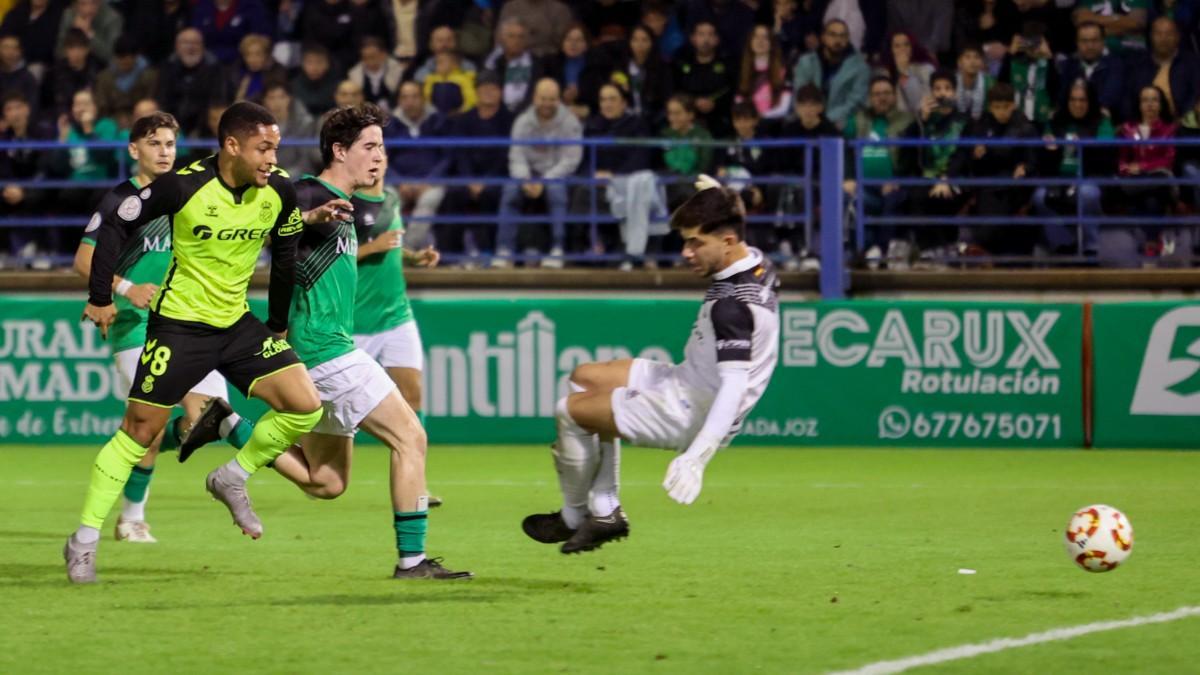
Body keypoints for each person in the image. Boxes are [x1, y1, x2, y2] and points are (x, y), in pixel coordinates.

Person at [65, 101, 346, 584]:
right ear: (232, 146)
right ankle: (84, 541)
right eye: (263, 148)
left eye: (276, 148)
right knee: (139, 432)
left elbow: (283, 258)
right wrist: (103, 295)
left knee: (305, 404)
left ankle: (232, 477)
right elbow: (115, 223)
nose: (272, 158)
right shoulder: (184, 186)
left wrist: (277, 325)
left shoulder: (277, 189)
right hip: (179, 328)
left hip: (238, 326)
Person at [186, 104, 470, 579]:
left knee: (326, 482)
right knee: (410, 437)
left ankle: (227, 424)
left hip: (320, 353)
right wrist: (306, 215)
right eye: (369, 147)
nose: (379, 157)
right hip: (326, 349)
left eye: (382, 147)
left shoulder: (347, 205)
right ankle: (413, 561)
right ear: (340, 150)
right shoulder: (306, 192)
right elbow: (267, 216)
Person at [521, 177, 779, 553]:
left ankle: (575, 515)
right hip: (687, 378)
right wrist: (720, 194)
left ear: (726, 242)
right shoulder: (758, 264)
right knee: (584, 378)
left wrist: (696, 458)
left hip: (694, 411)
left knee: (569, 412)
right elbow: (733, 223)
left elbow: (734, 387)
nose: (686, 252)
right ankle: (605, 506)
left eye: (696, 243)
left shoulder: (733, 308)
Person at [71, 112, 252, 544]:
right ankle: (132, 518)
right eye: (155, 143)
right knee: (171, 421)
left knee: (197, 421)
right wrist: (125, 288)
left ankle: (134, 459)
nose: (165, 151)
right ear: (135, 150)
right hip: (135, 329)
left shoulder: (186, 196)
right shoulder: (121, 201)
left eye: (171, 143)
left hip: (186, 325)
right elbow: (83, 260)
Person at [352, 152, 441, 462]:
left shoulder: (390, 198)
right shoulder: (346, 204)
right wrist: (371, 248)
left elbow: (392, 244)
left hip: (398, 316)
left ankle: (416, 481)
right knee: (337, 409)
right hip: (358, 322)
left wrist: (413, 256)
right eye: (368, 154)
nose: (375, 161)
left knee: (413, 395)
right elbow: (329, 257)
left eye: (380, 154)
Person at [494, 77, 582, 268]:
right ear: (534, 98)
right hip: (528, 175)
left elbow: (571, 159)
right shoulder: (522, 122)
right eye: (543, 98)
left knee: (556, 191)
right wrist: (525, 179)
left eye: (552, 99)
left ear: (559, 99)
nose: (547, 104)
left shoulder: (570, 122)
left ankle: (557, 249)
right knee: (510, 189)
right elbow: (516, 155)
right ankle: (504, 250)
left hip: (557, 176)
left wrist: (545, 180)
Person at [1033, 78, 1114, 257]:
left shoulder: (1101, 121)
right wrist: (1050, 151)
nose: (1077, 104)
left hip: (1090, 178)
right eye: (1073, 100)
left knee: (1087, 193)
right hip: (1058, 180)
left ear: (1090, 101)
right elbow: (1043, 161)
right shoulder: (1055, 121)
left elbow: (1106, 155)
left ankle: (1090, 248)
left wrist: (1085, 147)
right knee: (1039, 197)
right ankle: (1064, 244)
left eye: (1082, 100)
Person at [440, 70, 514, 262]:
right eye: (484, 88)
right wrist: (470, 180)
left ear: (501, 92)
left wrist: (486, 181)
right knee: (454, 194)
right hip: (467, 176)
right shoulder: (464, 120)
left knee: (493, 195)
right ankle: (451, 255)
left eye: (493, 89)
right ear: (476, 92)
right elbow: (460, 153)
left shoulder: (509, 120)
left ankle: (490, 250)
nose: (488, 92)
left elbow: (506, 155)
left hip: (497, 176)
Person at [843, 76, 917, 256]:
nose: (882, 98)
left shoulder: (907, 121)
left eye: (886, 93)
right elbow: (845, 150)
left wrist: (897, 180)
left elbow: (912, 156)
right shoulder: (857, 120)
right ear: (869, 97)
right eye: (876, 94)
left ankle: (882, 250)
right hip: (863, 185)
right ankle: (858, 253)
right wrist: (849, 177)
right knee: (848, 198)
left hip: (894, 185)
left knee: (894, 199)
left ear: (894, 96)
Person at [386, 80, 450, 249]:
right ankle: (390, 251)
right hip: (398, 182)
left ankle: (407, 250)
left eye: (415, 96)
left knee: (429, 200)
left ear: (423, 99)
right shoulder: (390, 124)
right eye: (405, 97)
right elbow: (382, 158)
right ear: (399, 100)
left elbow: (447, 157)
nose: (410, 101)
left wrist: (430, 181)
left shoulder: (439, 121)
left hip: (430, 182)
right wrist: (399, 182)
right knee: (388, 201)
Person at [792, 19, 869, 129]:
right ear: (823, 37)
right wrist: (813, 116)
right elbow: (800, 93)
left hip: (842, 122)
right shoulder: (806, 62)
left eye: (843, 36)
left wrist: (826, 120)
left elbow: (855, 101)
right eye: (833, 35)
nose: (838, 40)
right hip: (809, 118)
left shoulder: (860, 67)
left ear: (847, 39)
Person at [156, 28, 230, 136]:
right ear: (177, 46)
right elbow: (162, 98)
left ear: (203, 46)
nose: (191, 47)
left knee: (219, 113)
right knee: (147, 108)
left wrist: (199, 128)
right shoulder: (168, 66)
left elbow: (217, 100)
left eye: (195, 43)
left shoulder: (214, 68)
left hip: (204, 124)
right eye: (186, 43)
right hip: (172, 121)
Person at [672, 20, 735, 137]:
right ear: (693, 39)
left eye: (710, 34)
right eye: (701, 34)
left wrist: (716, 104)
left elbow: (733, 91)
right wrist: (693, 102)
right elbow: (675, 91)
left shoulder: (728, 64)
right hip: (686, 119)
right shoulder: (681, 62)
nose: (706, 40)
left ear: (717, 40)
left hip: (720, 120)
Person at [1057, 22, 1125, 122]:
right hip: (1072, 123)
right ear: (1077, 43)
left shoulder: (1115, 65)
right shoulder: (1069, 66)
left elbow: (1110, 98)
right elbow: (1063, 97)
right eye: (1084, 41)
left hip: (1106, 124)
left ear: (1103, 41)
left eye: (1094, 40)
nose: (1089, 46)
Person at [484, 19, 548, 114]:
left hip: (527, 113)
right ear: (503, 38)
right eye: (511, 36)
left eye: (521, 37)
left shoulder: (536, 64)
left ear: (526, 40)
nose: (516, 41)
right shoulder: (493, 63)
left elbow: (536, 92)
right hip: (498, 114)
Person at [94, 34, 158, 125]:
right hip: (112, 121)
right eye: (121, 62)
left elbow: (150, 102)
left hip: (142, 119)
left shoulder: (149, 76)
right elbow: (102, 105)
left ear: (136, 58)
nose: (124, 66)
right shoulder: (104, 77)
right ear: (116, 58)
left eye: (128, 63)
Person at [736, 25, 792, 121]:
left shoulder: (783, 70)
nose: (760, 41)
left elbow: (784, 108)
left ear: (771, 44)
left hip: (775, 125)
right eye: (756, 37)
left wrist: (762, 116)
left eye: (765, 37)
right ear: (750, 42)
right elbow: (739, 102)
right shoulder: (741, 71)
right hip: (748, 125)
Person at [880, 31, 936, 119]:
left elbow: (917, 104)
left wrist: (904, 72)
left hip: (918, 120)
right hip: (893, 119)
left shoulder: (926, 69)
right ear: (891, 50)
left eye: (906, 44)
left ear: (913, 47)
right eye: (897, 46)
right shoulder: (886, 70)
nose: (902, 49)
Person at [291, 43, 341, 119]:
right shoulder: (293, 86)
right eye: (309, 62)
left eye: (319, 62)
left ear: (328, 64)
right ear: (302, 64)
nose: (314, 68)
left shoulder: (338, 86)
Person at [954, 44, 993, 121]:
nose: (972, 62)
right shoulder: (950, 82)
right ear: (959, 62)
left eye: (977, 57)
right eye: (967, 57)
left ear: (982, 62)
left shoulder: (990, 83)